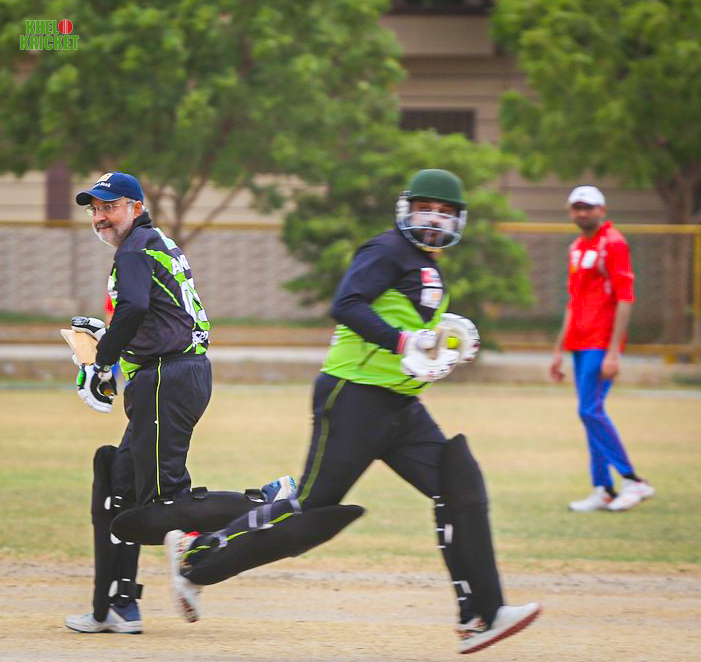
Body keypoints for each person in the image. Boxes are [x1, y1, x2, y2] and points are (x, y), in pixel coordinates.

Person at [164, 169, 541, 655]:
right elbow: (346, 304)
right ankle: (194, 556)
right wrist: (404, 342)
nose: (434, 218)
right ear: (406, 209)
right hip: (353, 398)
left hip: (401, 406)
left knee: (458, 480)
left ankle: (482, 615)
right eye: (426, 207)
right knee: (310, 510)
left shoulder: (429, 266)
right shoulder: (386, 249)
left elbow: (410, 338)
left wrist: (438, 350)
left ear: (459, 220)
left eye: (445, 211)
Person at [65, 172, 295, 634]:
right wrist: (111, 341)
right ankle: (116, 606)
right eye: (95, 209)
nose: (100, 217)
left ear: (135, 207)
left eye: (110, 207)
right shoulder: (154, 243)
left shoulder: (133, 250)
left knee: (159, 508)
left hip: (166, 378)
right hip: (175, 374)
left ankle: (267, 501)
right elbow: (157, 315)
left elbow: (133, 308)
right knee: (118, 479)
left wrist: (101, 362)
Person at [550, 185, 655, 513]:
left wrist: (612, 351)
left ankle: (633, 480)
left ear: (602, 210)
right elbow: (573, 301)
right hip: (579, 342)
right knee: (590, 412)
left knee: (589, 411)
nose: (582, 213)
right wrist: (558, 350)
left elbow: (625, 297)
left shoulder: (613, 242)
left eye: (588, 207)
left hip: (600, 341)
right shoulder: (576, 247)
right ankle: (603, 488)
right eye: (577, 207)